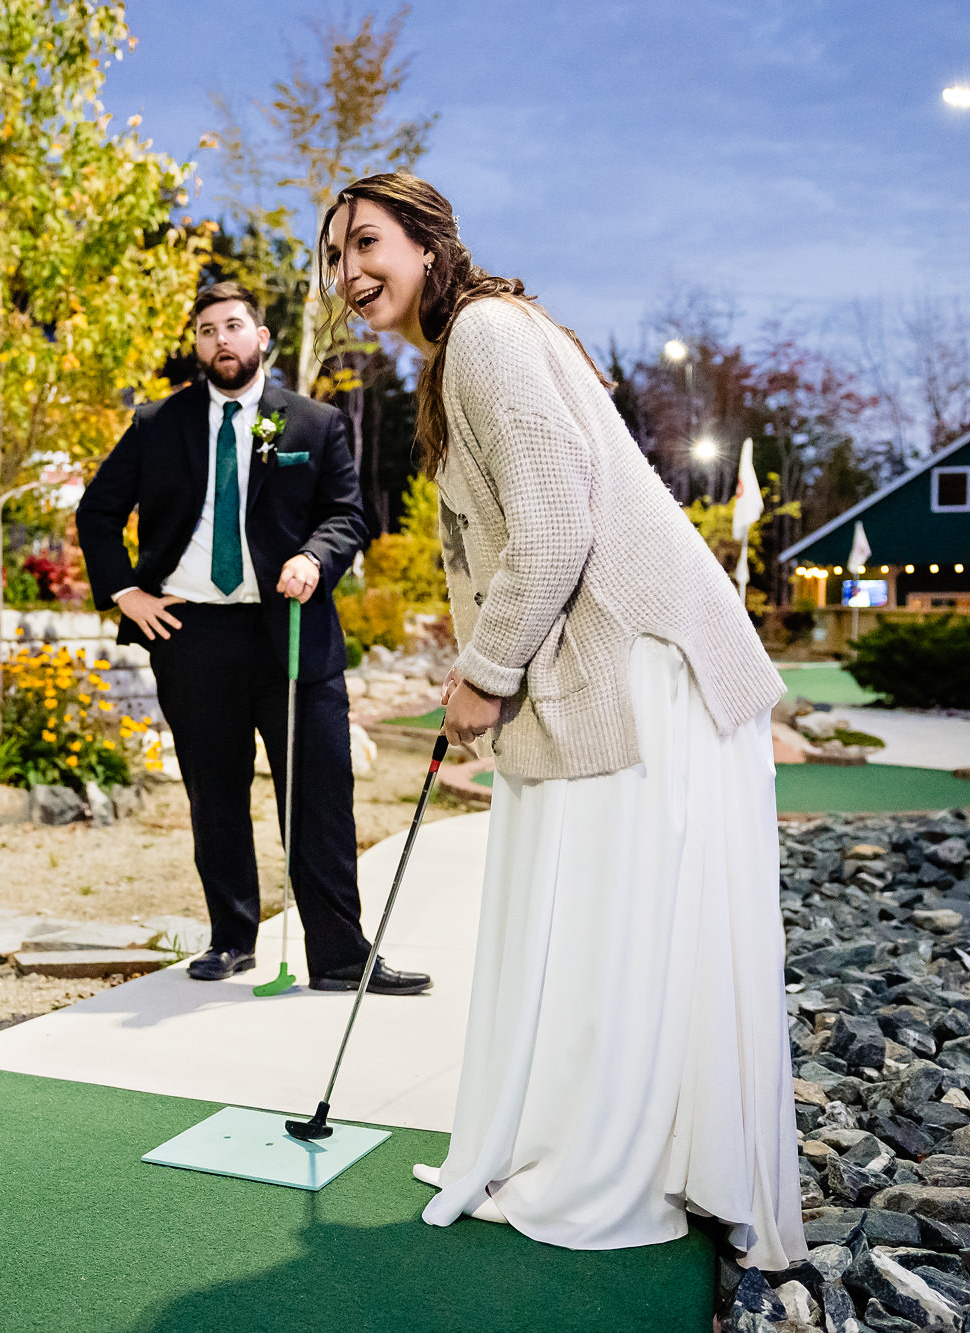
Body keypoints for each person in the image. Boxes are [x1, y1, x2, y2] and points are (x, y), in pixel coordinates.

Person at [321, 173, 803, 1270]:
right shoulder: (470, 349)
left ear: (429, 243)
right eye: (336, 257)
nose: (350, 272)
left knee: (614, 926)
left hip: (638, 669)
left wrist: (484, 676)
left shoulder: (485, 334)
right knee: (593, 923)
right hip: (614, 664)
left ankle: (604, 1166)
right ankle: (556, 1139)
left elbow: (551, 525)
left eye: (367, 242)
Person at [76, 281, 431, 995]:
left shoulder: (315, 422)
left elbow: (346, 516)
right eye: (206, 330)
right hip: (192, 633)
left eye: (233, 326)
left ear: (262, 337)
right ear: (198, 346)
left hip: (293, 633)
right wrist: (128, 593)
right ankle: (231, 939)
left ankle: (337, 957)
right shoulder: (156, 424)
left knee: (321, 797)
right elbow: (97, 512)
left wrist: (314, 558)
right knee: (216, 793)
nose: (220, 340)